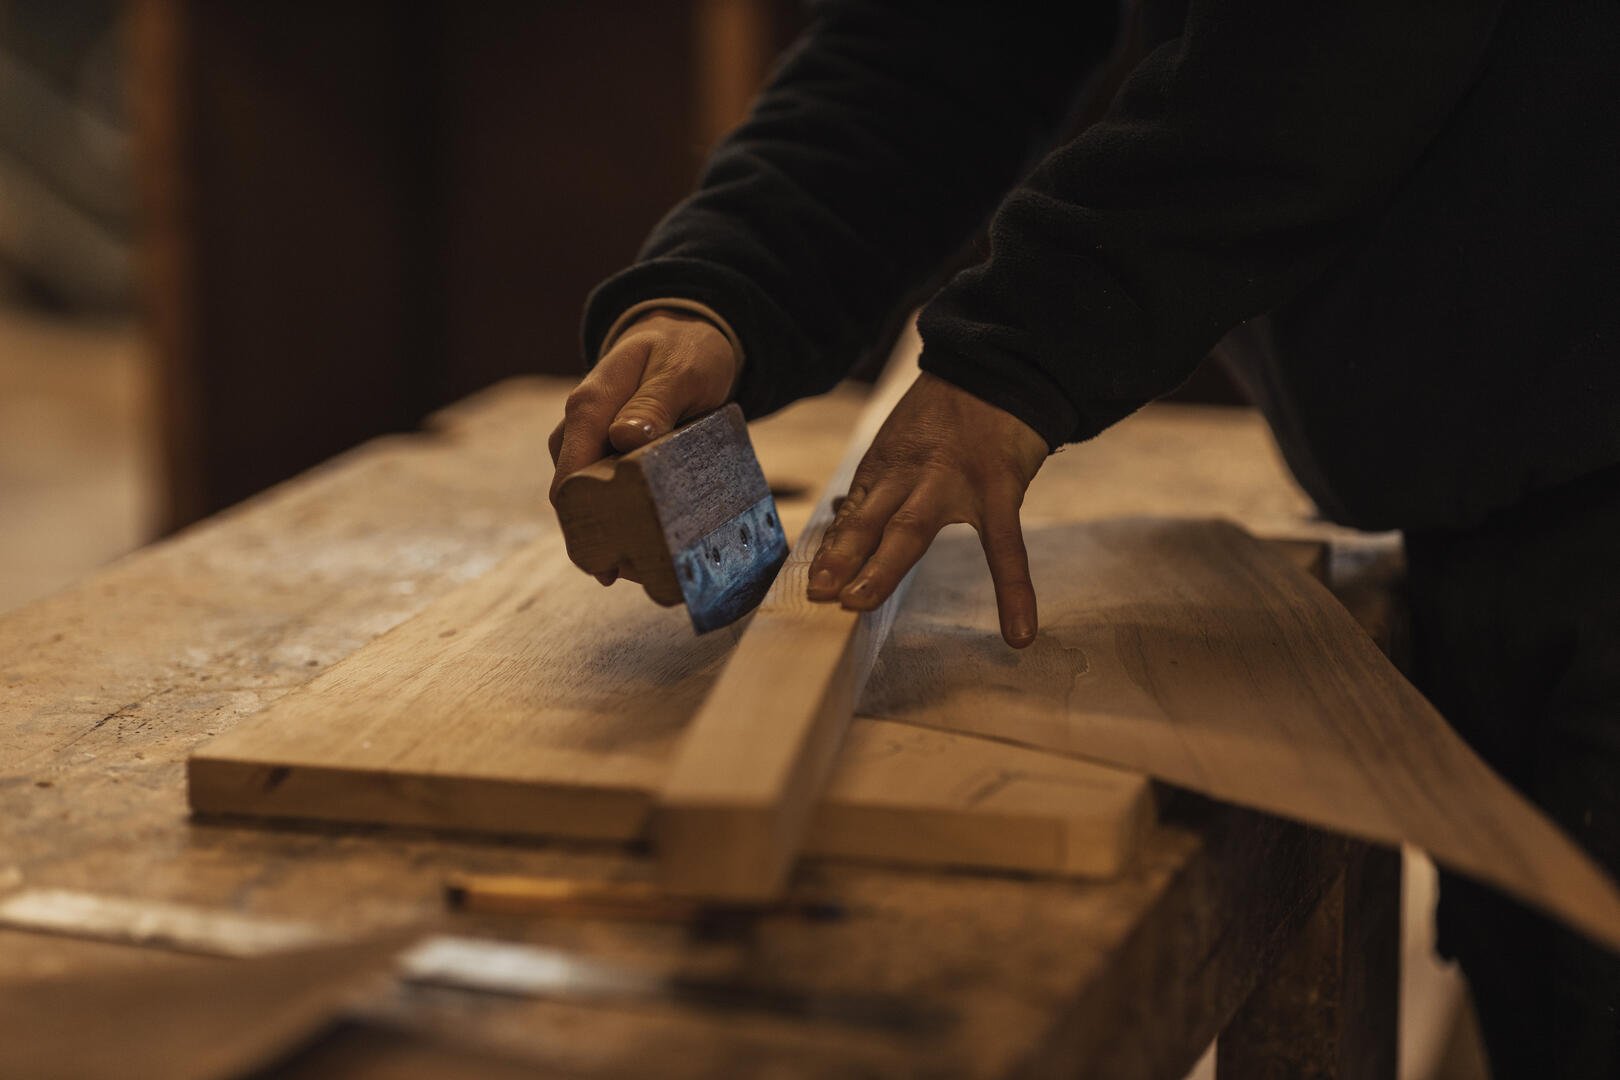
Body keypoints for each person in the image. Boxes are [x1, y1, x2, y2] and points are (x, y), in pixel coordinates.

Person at [547, 2, 1620, 1074]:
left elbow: (1341, 44)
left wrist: (1017, 356)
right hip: (1501, 491)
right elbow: (945, 42)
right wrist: (718, 285)